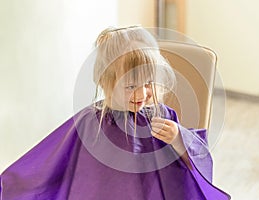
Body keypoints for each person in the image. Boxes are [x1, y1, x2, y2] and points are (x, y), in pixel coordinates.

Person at [0, 25, 230, 200]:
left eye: (148, 83)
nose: (142, 93)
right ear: (106, 83)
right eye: (131, 86)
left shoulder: (162, 116)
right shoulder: (91, 122)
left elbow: (196, 161)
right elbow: (51, 163)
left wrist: (178, 138)